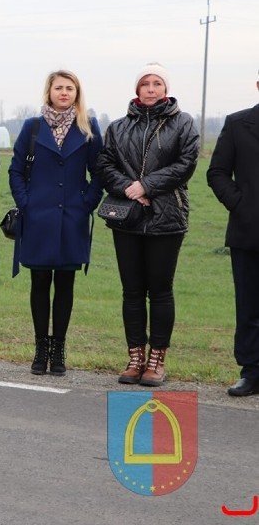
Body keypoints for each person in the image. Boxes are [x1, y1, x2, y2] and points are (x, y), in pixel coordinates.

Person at [97, 63, 199, 386]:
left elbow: (186, 164)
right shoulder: (117, 127)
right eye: (146, 83)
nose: (151, 88)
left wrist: (147, 186)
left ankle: (157, 360)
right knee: (131, 291)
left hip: (167, 218)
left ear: (165, 89)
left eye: (157, 83)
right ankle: (135, 357)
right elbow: (104, 164)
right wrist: (130, 187)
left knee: (160, 290)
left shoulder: (184, 124)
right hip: (127, 219)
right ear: (137, 90)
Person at [9, 70, 103, 376]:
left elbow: (98, 172)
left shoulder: (88, 127)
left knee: (65, 285)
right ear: (49, 91)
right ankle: (40, 349)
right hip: (38, 218)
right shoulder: (32, 127)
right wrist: (27, 204)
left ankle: (59, 350)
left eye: (70, 88)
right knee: (39, 283)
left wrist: (86, 204)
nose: (64, 93)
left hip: (71, 219)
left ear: (77, 93)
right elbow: (15, 170)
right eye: (59, 87)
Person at [206, 70, 259, 397]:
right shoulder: (238, 124)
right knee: (250, 307)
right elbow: (217, 172)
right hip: (249, 232)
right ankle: (251, 372)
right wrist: (241, 205)